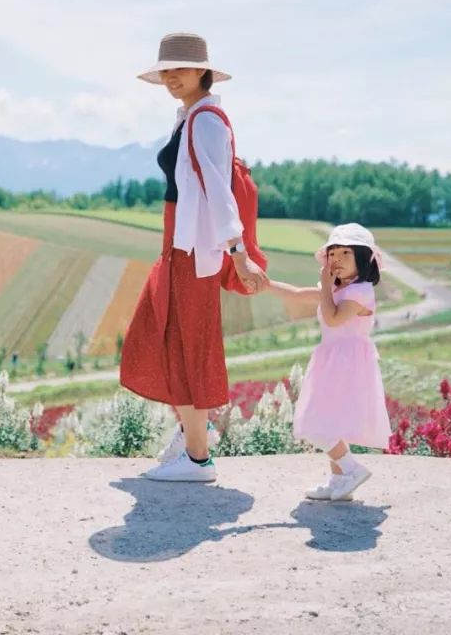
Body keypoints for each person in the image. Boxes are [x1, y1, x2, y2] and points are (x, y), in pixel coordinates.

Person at [119, 33, 268, 483]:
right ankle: (189, 440)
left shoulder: (205, 120)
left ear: (202, 70)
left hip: (194, 254)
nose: (171, 77)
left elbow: (219, 192)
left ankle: (198, 459)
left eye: (180, 68)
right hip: (178, 248)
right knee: (165, 337)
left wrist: (239, 254)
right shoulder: (189, 117)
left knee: (186, 345)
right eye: (166, 69)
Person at [266, 223, 392, 501]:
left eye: (346, 253)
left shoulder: (360, 292)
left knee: (316, 420)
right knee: (332, 420)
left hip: (346, 361)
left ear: (364, 259)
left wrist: (325, 286)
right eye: (332, 253)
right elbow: (298, 295)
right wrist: (266, 284)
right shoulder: (337, 289)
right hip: (334, 357)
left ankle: (351, 469)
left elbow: (334, 318)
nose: (336, 259)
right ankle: (339, 481)